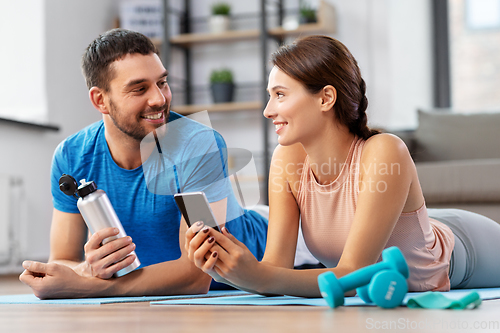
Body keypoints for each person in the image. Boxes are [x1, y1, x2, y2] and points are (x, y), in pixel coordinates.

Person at [185, 35, 500, 297]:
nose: (268, 111)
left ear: (325, 98)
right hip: (410, 228)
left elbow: (354, 275)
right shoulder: (287, 161)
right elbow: (276, 269)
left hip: (467, 248)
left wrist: (257, 276)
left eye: (280, 95)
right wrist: (229, 268)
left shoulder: (385, 151)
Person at [19, 28, 268, 299]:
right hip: (152, 280)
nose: (159, 99)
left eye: (162, 82)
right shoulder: (72, 155)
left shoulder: (197, 144)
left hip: (274, 252)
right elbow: (63, 260)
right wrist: (88, 268)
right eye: (140, 89)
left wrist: (89, 285)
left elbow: (197, 275)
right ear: (100, 100)